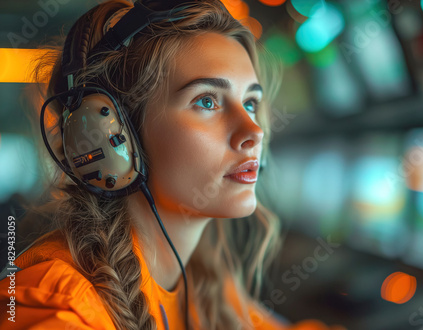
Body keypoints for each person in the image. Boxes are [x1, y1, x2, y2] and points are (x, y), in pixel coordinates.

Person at [0, 0, 345, 329]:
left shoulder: (202, 282)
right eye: (207, 101)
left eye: (251, 103)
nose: (253, 131)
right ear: (114, 136)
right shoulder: (56, 304)